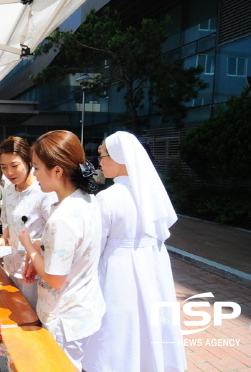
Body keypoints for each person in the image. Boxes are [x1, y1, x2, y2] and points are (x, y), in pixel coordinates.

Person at [83, 131, 186, 372]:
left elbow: (93, 247)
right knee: (152, 323)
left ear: (119, 158)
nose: (100, 162)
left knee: (118, 329)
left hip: (118, 271)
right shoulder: (151, 195)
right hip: (153, 268)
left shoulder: (107, 198)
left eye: (103, 155)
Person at [18, 130, 104, 372]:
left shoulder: (63, 217)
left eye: (36, 168)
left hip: (65, 318)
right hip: (81, 311)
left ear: (57, 171)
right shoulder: (86, 200)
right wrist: (38, 250)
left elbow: (55, 278)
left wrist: (28, 246)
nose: (34, 175)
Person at [0, 136, 57, 308]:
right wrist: (3, 239)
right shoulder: (9, 188)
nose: (9, 172)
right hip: (11, 264)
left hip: (33, 270)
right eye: (4, 167)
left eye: (14, 166)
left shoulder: (44, 191)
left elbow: (55, 232)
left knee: (31, 316)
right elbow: (10, 221)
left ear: (28, 161)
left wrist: (37, 254)